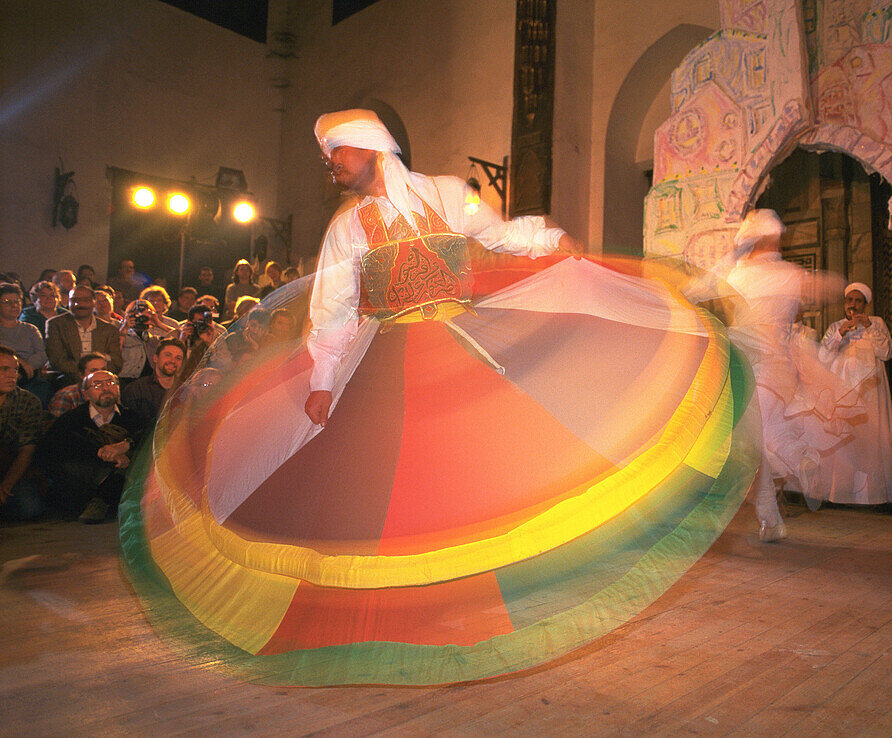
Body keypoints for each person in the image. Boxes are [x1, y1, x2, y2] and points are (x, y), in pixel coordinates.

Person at [122, 108, 754, 687]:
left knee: (469, 475)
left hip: (457, 343)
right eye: (329, 155)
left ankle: (476, 600)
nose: (331, 164)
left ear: (369, 147)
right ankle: (400, 612)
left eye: (337, 151)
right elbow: (333, 312)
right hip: (383, 360)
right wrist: (320, 382)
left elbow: (502, 235)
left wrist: (549, 241)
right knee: (384, 491)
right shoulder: (347, 229)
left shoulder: (447, 194)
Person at [699, 209, 855, 540]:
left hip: (749, 366)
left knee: (760, 437)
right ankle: (771, 519)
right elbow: (827, 286)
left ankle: (800, 460)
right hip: (770, 366)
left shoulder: (737, 276)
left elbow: (697, 289)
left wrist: (729, 260)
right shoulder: (784, 274)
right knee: (759, 440)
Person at [817, 282, 892, 505]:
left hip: (870, 395)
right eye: (849, 300)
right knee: (845, 442)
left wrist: (870, 327)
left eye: (858, 301)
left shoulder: (877, 323)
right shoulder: (836, 326)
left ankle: (872, 496)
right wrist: (839, 334)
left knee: (870, 441)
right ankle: (841, 494)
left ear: (866, 304)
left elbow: (887, 353)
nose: (853, 305)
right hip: (843, 394)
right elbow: (823, 359)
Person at [40, 370, 143, 523]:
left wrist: (126, 445)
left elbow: (146, 437)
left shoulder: (133, 418)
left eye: (110, 383)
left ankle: (100, 500)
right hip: (80, 484)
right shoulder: (71, 419)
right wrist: (104, 453)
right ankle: (102, 499)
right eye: (97, 385)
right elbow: (51, 449)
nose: (105, 388)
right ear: (86, 394)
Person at [44, 286, 123, 387]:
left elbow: (116, 363)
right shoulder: (55, 325)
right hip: (68, 379)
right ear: (68, 302)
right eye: (74, 300)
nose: (79, 304)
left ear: (94, 302)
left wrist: (95, 374)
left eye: (85, 300)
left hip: (101, 381)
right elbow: (57, 360)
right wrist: (86, 372)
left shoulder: (109, 330)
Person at [0, 347, 45, 522]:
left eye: (15, 369)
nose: (12, 375)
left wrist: (4, 489)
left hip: (11, 471)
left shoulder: (27, 401)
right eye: (4, 369)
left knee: (31, 508)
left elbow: (27, 451)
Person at [121, 338, 184, 428]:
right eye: (168, 355)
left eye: (178, 358)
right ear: (155, 358)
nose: (173, 361)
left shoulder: (186, 390)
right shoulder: (136, 389)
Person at [117, 298, 177, 383]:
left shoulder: (152, 339)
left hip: (148, 383)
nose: (141, 318)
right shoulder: (121, 333)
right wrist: (125, 328)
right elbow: (115, 354)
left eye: (144, 316)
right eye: (136, 315)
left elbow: (180, 337)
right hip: (126, 381)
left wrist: (158, 324)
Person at [47, 352, 110, 418]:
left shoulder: (111, 393)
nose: (100, 374)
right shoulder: (66, 396)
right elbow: (58, 426)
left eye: (103, 370)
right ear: (81, 375)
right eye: (93, 370)